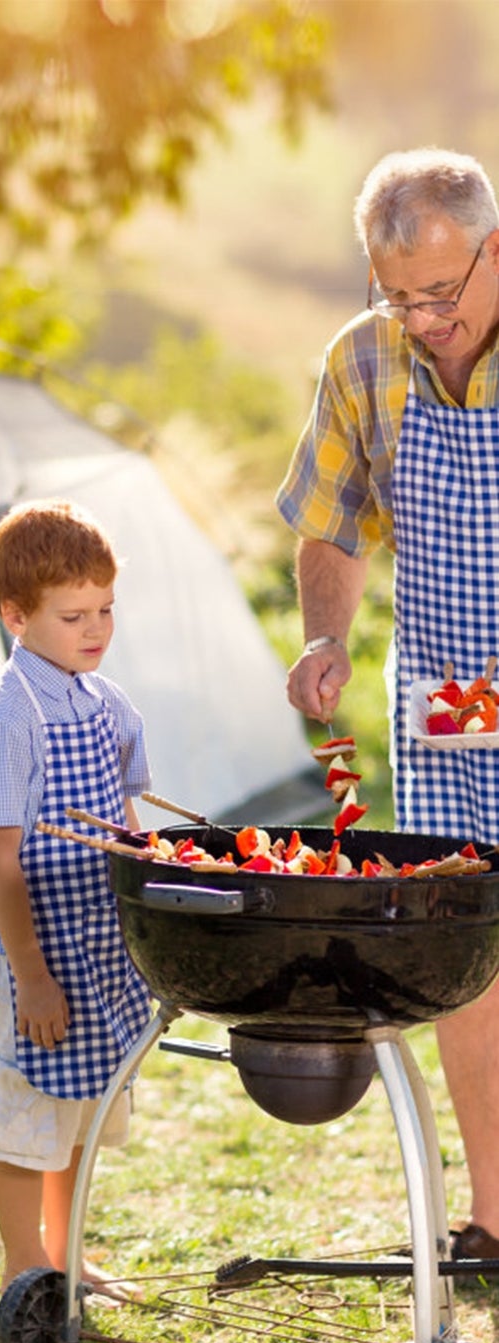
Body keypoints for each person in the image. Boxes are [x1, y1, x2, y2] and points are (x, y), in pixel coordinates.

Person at [278, 146, 499, 1262]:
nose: (419, 317)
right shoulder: (362, 359)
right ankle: (496, 1217)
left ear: (493, 248)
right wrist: (325, 633)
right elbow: (328, 520)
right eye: (396, 293)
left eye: (441, 292)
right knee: (462, 956)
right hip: (451, 715)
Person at [0, 499, 150, 1294]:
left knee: (84, 1110)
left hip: (101, 946)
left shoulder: (107, 703)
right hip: (33, 953)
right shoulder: (5, 720)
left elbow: (129, 822)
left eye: (104, 608)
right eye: (73, 615)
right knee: (31, 1111)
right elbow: (1, 862)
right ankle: (22, 1264)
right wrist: (31, 975)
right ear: (14, 614)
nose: (95, 628)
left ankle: (65, 1251)